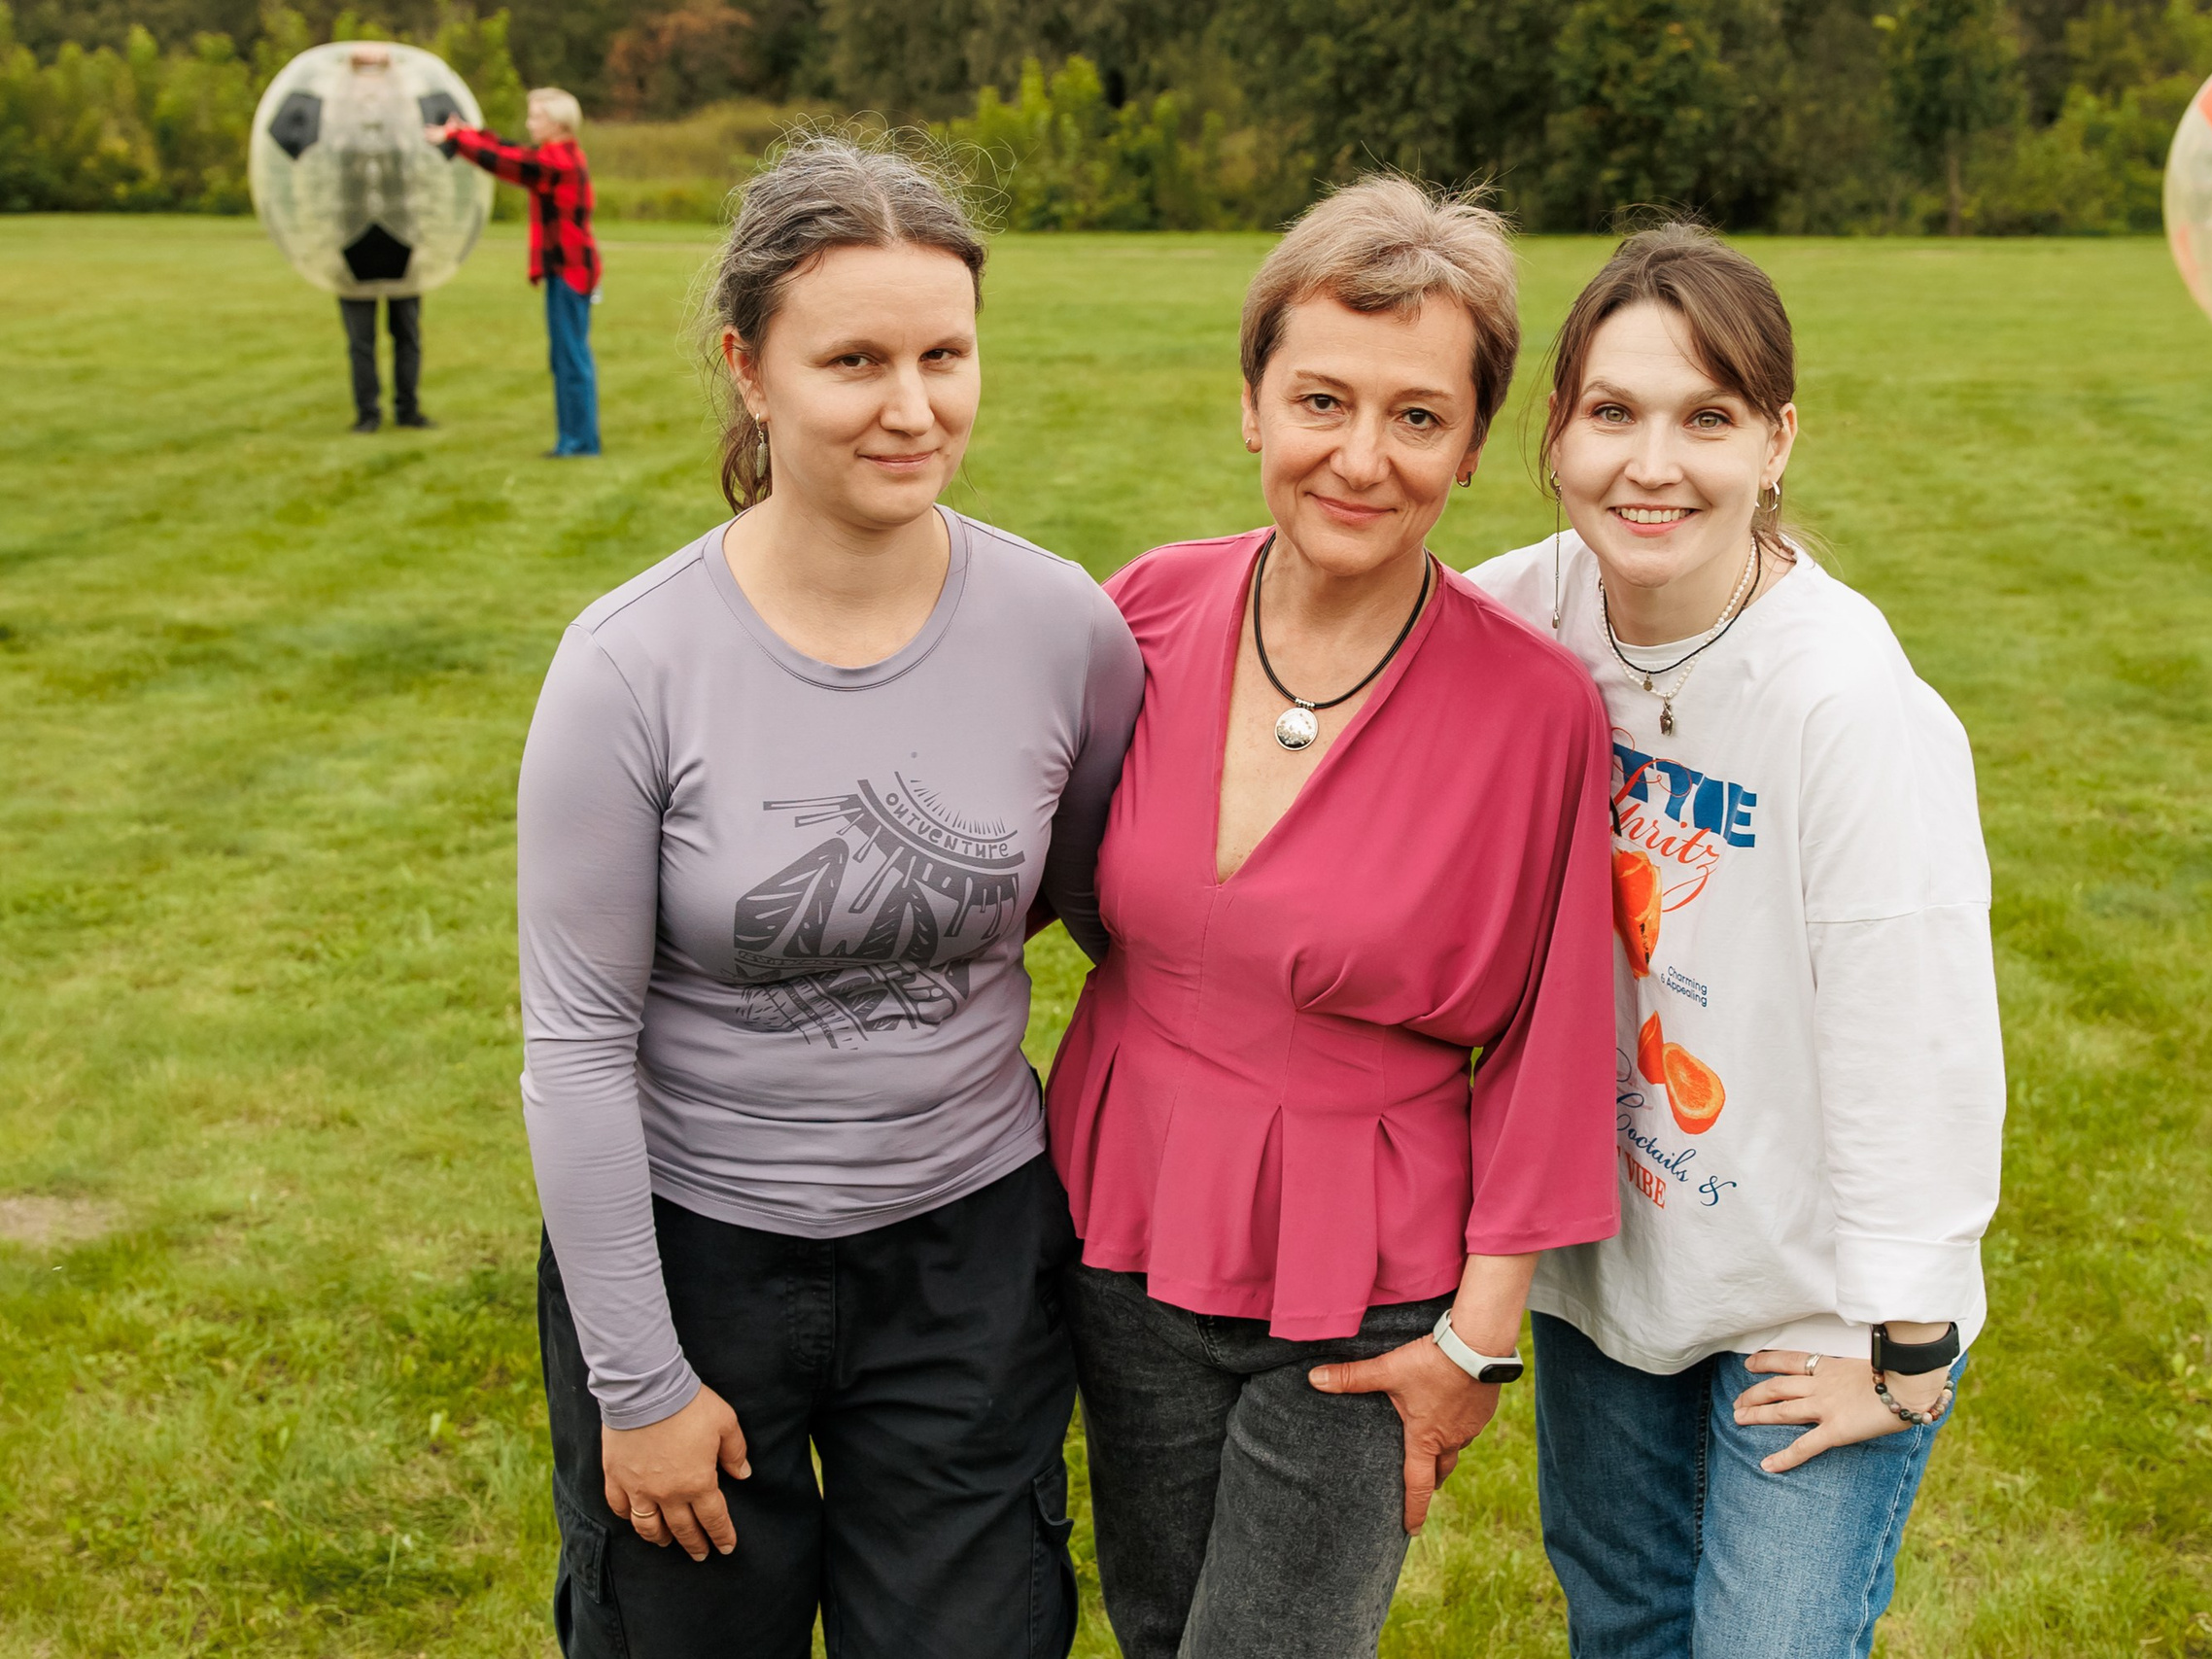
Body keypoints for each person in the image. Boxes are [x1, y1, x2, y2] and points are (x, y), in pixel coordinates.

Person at [514, 134, 1141, 1659]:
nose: (912, 405)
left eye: (945, 353)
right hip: (694, 1248)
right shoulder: (628, 664)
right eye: (855, 358)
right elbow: (578, 1049)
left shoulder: (1066, 629)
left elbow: (1097, 902)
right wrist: (641, 1382)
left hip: (969, 1253)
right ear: (750, 366)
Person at [1045, 177, 1619, 1659]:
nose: (1360, 458)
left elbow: (1556, 1046)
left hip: (1368, 1285)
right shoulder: (1146, 615)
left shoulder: (1535, 706)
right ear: (1252, 403)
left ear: (1477, 444)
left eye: (1417, 416)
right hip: (1123, 1217)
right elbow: (1047, 885)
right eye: (1321, 400)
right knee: (1162, 1626)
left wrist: (1473, 1346)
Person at [1465, 224, 2006, 1659]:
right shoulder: (1529, 610)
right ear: (1560, 435)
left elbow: (1919, 1020)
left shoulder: (1841, 700)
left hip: (1813, 1295)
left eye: (1706, 418)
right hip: (1614, 1251)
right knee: (1622, 1621)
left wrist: (1903, 1340)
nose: (1655, 464)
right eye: (1614, 412)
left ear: (1776, 442)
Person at [426, 87, 604, 457]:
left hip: (570, 271)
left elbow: (504, 161)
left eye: (536, 117)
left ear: (556, 123)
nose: (529, 123)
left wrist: (458, 137)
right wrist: (469, 133)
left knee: (570, 360)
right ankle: (576, 439)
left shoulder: (558, 162)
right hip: (569, 270)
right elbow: (511, 151)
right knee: (567, 358)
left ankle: (579, 443)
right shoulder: (558, 155)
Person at [338, 287, 427, 432]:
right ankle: (374, 414)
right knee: (364, 344)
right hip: (361, 276)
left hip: (397, 274)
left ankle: (397, 412)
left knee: (404, 340)